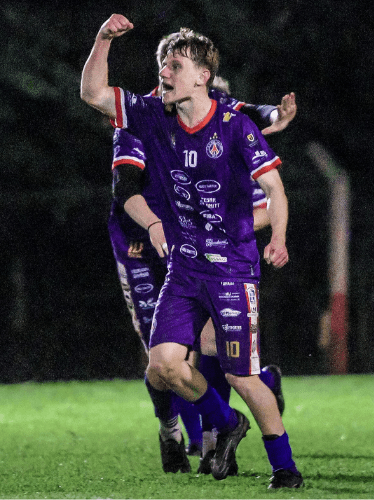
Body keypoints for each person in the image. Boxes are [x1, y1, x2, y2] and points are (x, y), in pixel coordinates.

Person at [82, 15, 303, 488]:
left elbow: (276, 191)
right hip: (183, 267)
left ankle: (285, 468)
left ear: (202, 76)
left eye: (175, 64)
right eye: (163, 63)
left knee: (242, 374)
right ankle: (225, 424)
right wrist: (103, 39)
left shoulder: (235, 126)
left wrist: (279, 238)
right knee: (162, 366)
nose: (164, 71)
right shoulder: (149, 116)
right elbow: (93, 94)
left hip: (231, 269)